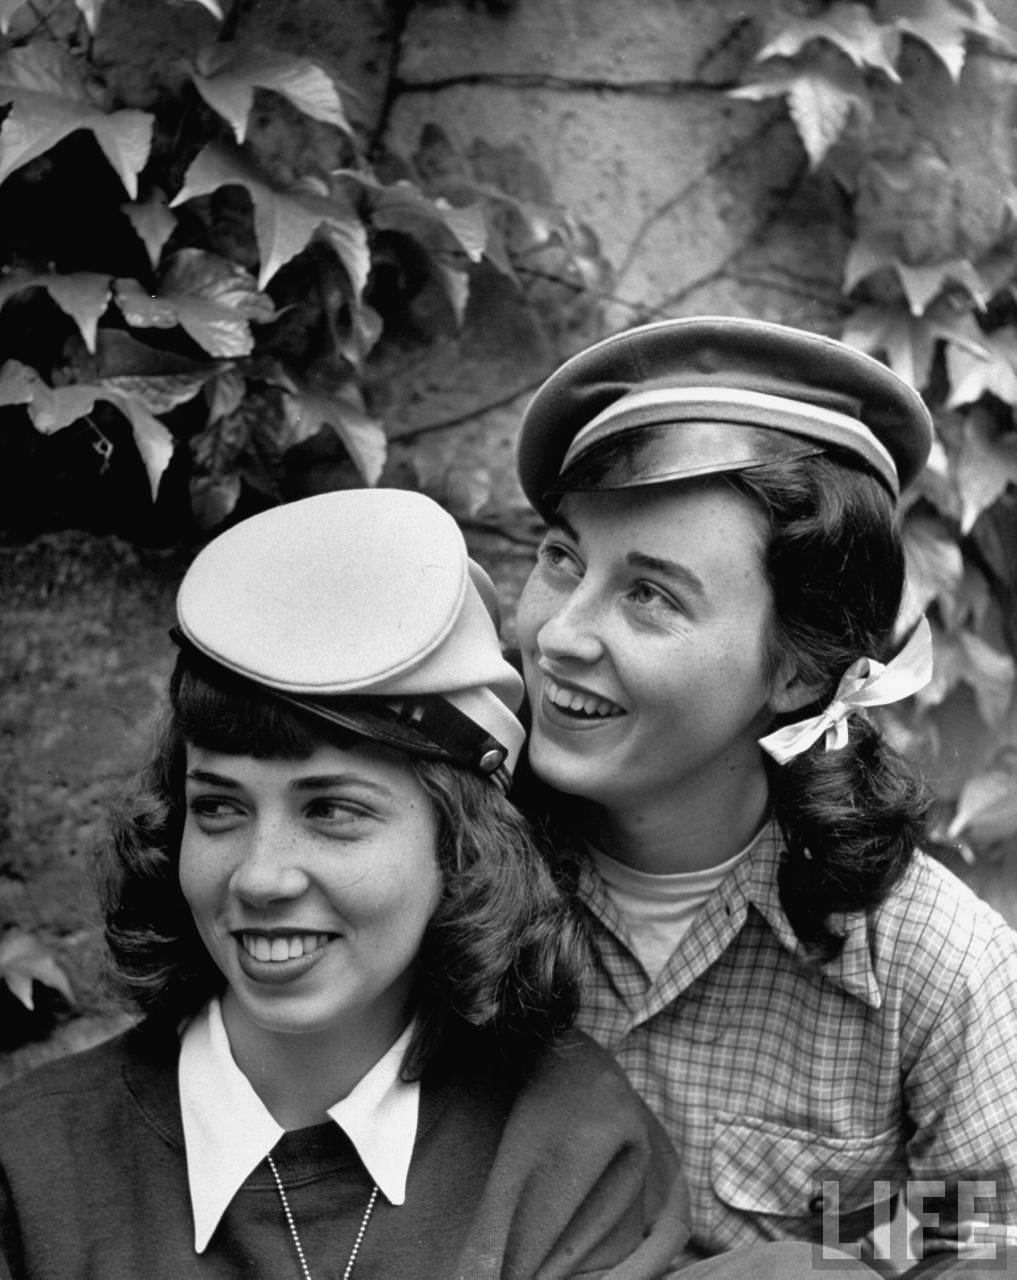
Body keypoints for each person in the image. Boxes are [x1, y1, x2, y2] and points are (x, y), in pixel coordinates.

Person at [0, 488, 696, 1280]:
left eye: (332, 810)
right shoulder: (29, 1168)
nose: (260, 877)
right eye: (219, 807)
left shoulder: (570, 1154)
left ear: (463, 846)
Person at [511, 316, 1017, 1274]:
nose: (560, 637)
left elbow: (987, 1238)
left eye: (650, 595)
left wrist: (827, 1262)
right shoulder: (451, 870)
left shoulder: (930, 967)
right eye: (562, 559)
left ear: (793, 673)